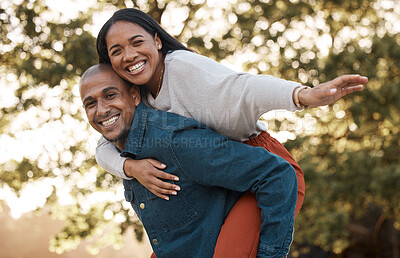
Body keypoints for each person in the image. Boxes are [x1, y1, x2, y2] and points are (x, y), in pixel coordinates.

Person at [94, 8, 368, 257]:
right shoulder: (135, 94)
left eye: (136, 42)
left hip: (263, 170)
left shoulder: (182, 69)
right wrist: (130, 166)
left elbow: (244, 88)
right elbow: (104, 146)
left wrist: (302, 95)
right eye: (116, 51)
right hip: (214, 187)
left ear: (157, 40)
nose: (129, 55)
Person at [80, 63, 298, 257]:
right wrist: (127, 166)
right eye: (90, 103)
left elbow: (278, 174)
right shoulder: (122, 148)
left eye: (110, 95)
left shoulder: (174, 141)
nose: (101, 110)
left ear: (135, 96)